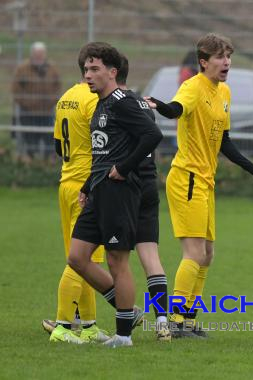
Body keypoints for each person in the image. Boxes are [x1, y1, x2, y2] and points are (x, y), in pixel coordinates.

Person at [144, 33, 253, 338]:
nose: (226, 61)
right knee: (193, 252)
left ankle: (188, 320)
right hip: (187, 178)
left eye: (228, 55)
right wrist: (159, 105)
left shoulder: (224, 92)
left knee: (208, 254)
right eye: (219, 56)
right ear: (203, 62)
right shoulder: (192, 87)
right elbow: (176, 109)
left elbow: (224, 142)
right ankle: (174, 322)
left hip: (205, 180)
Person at [44, 51, 171, 343]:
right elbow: (103, 154)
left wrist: (124, 168)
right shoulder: (99, 105)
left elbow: (152, 134)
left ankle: (123, 336)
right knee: (77, 257)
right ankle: (128, 310)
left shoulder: (123, 103)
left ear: (112, 72)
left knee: (116, 260)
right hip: (98, 189)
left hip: (119, 192)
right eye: (86, 69)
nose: (88, 74)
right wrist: (88, 186)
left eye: (94, 69)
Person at [46, 45, 108, 344]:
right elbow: (103, 144)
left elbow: (59, 145)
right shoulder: (93, 100)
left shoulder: (66, 97)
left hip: (66, 182)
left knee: (84, 258)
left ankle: (90, 325)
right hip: (88, 186)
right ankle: (61, 326)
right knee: (83, 259)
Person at [12, 41, 61, 157]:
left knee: (50, 139)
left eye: (41, 53)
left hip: (47, 112)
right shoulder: (22, 69)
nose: (39, 56)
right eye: (36, 53)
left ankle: (47, 162)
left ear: (45, 54)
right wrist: (27, 103)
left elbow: (58, 87)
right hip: (28, 112)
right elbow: (16, 90)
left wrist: (52, 101)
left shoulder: (52, 69)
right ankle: (31, 162)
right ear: (32, 54)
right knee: (30, 141)